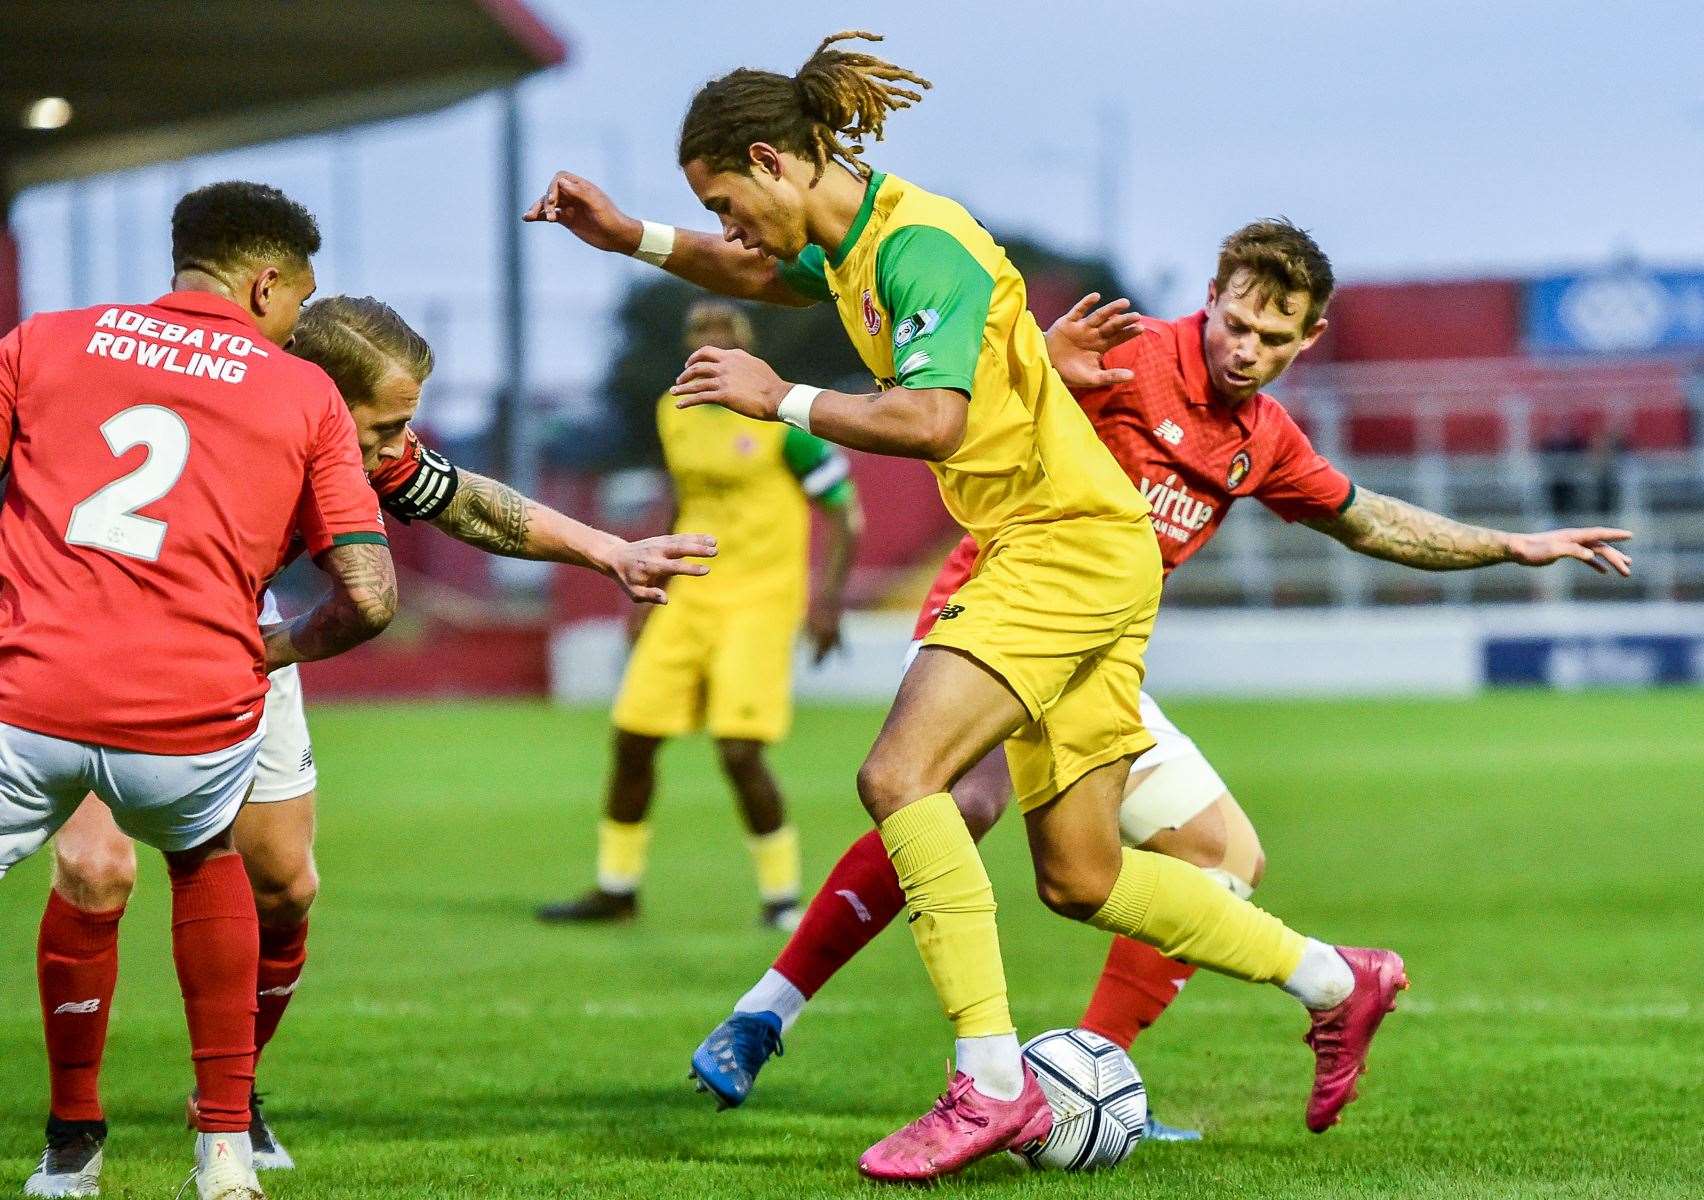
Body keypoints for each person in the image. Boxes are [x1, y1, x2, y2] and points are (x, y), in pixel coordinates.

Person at [526, 32, 1406, 1181]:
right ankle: (1340, 980)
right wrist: (633, 235)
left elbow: (932, 422)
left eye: (726, 201)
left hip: (1058, 546)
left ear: (772, 160)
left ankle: (988, 1083)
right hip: (1089, 551)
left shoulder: (921, 248)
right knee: (1081, 877)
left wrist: (778, 394)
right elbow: (750, 272)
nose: (729, 225)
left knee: (902, 778)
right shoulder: (854, 247)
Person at [689, 220, 1635, 1134]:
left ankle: (1084, 1082)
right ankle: (764, 1014)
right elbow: (967, 405)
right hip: (995, 610)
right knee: (948, 798)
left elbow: (1370, 521)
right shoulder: (1126, 356)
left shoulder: (1262, 436)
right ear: (1211, 299)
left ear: (1309, 340)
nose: (1247, 348)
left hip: (1097, 653)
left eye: (1273, 337)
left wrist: (1513, 544)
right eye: (1236, 322)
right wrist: (1041, 372)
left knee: (1220, 858)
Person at [26, 293, 716, 1197]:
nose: (400, 446)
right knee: (97, 868)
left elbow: (471, 504)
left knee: (287, 883)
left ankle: (225, 1099)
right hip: (94, 643)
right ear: (319, 392)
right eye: (388, 424)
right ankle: (73, 1127)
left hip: (242, 645)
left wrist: (609, 550)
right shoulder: (227, 416)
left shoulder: (352, 451)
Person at [2, 182, 395, 1200]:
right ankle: (223, 1154)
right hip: (190, 707)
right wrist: (282, 646)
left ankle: (71, 1155)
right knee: (205, 859)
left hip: (29, 694)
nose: (296, 323)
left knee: (104, 870)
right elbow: (372, 596)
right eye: (296, 303)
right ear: (265, 283)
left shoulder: (44, 340)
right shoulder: (299, 390)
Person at [537, 299, 861, 930]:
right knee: (633, 738)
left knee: (739, 750)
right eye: (699, 336)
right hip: (687, 598)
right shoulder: (674, 412)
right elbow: (681, 504)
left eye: (724, 337)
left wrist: (827, 601)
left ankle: (782, 900)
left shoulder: (781, 419)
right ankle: (616, 889)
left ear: (745, 350)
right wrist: (644, 587)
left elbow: (847, 512)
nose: (710, 346)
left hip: (760, 602)